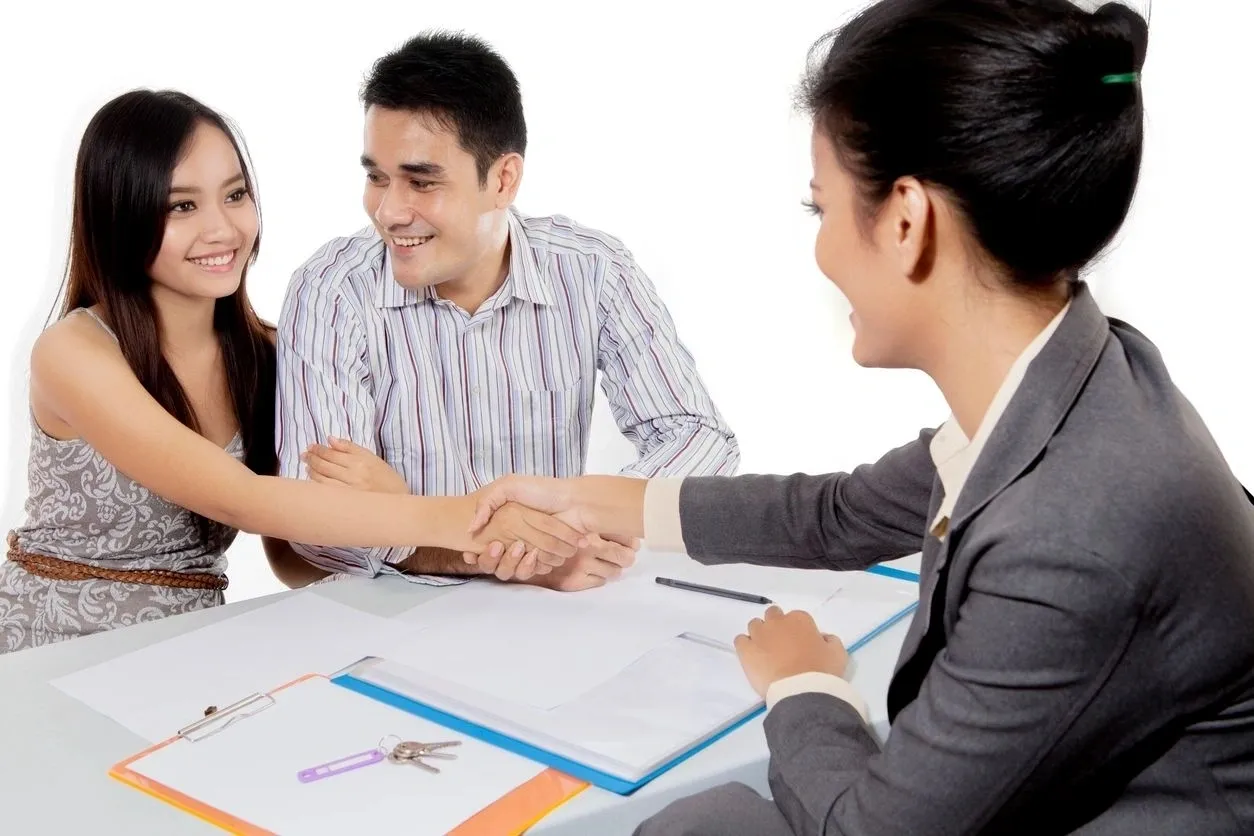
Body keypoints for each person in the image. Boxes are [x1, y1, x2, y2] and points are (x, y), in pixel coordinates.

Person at [468, 1, 1254, 832]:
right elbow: (842, 514)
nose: (821, 249)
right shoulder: (1078, 380)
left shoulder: (1071, 536)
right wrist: (587, 498)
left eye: (822, 208)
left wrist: (802, 685)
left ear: (908, 221)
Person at [0, 89, 587, 654]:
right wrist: (471, 518)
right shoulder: (73, 352)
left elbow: (292, 556)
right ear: (119, 216)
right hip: (51, 641)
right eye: (181, 206)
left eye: (234, 195)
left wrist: (465, 561)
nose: (222, 229)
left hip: (185, 648)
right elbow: (243, 500)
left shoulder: (267, 354)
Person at [274, 31, 739, 592]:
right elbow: (316, 521)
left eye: (421, 181)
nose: (389, 210)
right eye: (376, 176)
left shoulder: (593, 270)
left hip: (557, 615)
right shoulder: (330, 290)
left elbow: (700, 435)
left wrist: (576, 524)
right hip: (392, 614)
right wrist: (513, 554)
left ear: (503, 179)